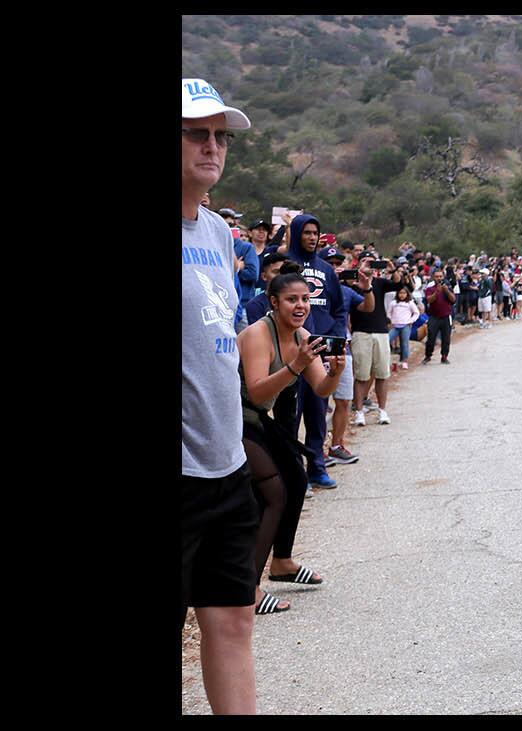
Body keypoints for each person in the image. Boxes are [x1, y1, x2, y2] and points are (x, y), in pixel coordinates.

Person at [181, 76, 258, 714]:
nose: (212, 147)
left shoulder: (217, 235)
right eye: (195, 133)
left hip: (225, 463)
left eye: (220, 136)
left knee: (232, 622)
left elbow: (221, 341)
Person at [237, 271, 345, 615]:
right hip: (232, 418)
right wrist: (297, 364)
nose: (300, 306)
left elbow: (321, 388)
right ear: (274, 303)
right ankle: (248, 590)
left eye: (304, 299)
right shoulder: (258, 334)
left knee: (297, 480)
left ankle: (282, 562)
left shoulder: (303, 335)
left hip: (256, 419)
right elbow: (256, 390)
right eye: (291, 299)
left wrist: (336, 372)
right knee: (274, 492)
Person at [258, 213, 348, 490]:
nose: (311, 237)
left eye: (315, 233)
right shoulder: (286, 266)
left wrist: (335, 337)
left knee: (317, 411)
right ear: (296, 234)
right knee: (289, 415)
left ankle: (317, 468)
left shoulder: (326, 269)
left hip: (319, 351)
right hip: (288, 355)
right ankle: (293, 471)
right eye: (306, 232)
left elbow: (339, 308)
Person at [321, 246, 374, 466]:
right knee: (319, 403)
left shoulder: (346, 290)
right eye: (330, 263)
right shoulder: (314, 287)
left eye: (337, 263)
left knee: (343, 399)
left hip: (342, 347)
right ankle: (318, 449)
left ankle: (336, 445)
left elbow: (367, 307)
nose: (334, 267)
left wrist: (367, 287)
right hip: (319, 346)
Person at [349, 252, 399, 426]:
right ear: (358, 264)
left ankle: (382, 410)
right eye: (365, 262)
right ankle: (359, 411)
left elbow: (399, 285)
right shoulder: (353, 283)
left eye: (372, 263)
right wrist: (360, 273)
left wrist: (392, 268)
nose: (369, 265)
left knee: (383, 374)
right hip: (360, 332)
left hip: (381, 331)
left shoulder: (380, 283)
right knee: (361, 375)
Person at [423, 267, 456, 365]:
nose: (439, 278)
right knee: (431, 337)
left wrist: (446, 290)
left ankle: (444, 356)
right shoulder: (430, 289)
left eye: (440, 276)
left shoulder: (448, 288)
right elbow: (429, 300)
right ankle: (428, 355)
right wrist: (437, 291)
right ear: (433, 277)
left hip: (446, 316)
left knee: (446, 338)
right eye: (437, 276)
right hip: (434, 316)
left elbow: (453, 300)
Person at [388, 286, 420, 369]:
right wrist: (391, 321)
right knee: (388, 339)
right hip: (395, 325)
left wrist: (411, 321)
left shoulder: (410, 303)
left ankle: (404, 360)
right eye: (400, 293)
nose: (402, 295)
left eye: (404, 293)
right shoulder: (393, 303)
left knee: (404, 343)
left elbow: (416, 313)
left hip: (405, 325)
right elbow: (389, 313)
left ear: (407, 294)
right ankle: (388, 359)